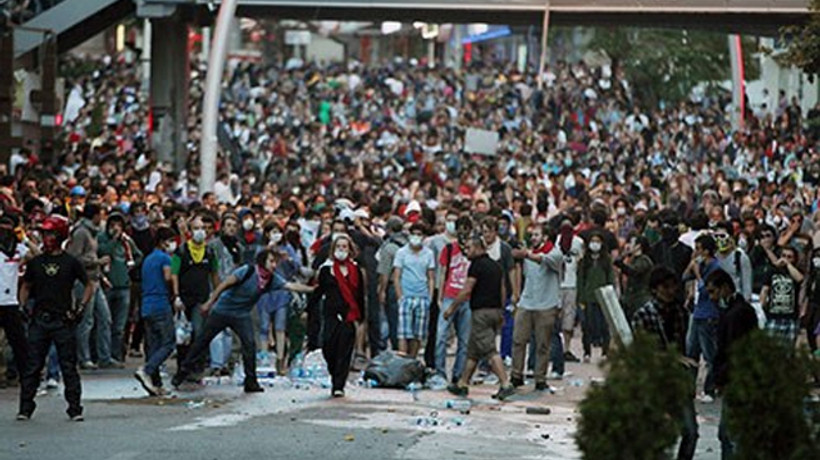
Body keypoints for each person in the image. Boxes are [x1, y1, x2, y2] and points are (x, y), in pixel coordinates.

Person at [172, 249, 314, 393]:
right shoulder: (247, 271)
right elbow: (223, 285)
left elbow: (290, 286)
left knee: (249, 344)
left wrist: (311, 289)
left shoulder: (272, 279)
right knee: (202, 341)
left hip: (241, 314)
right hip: (222, 311)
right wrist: (209, 303)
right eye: (271, 261)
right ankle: (181, 374)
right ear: (262, 261)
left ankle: (251, 381)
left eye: (275, 262)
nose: (274, 265)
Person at [18, 215, 93, 421]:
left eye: (50, 233)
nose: (47, 237)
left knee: (68, 366)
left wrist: (81, 307)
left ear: (60, 235)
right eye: (45, 233)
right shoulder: (36, 262)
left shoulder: (71, 262)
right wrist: (22, 306)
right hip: (40, 319)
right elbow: (26, 286)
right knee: (33, 365)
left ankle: (75, 408)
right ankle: (25, 408)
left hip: (63, 320)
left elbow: (88, 285)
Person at [631, 267, 697, 460]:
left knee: (690, 432)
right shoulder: (644, 315)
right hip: (654, 381)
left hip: (678, 380)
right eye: (665, 287)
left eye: (673, 286)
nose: (670, 291)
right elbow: (641, 353)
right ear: (655, 289)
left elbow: (683, 345)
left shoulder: (680, 312)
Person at [444, 236, 515, 401]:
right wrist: (501, 311)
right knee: (474, 351)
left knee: (489, 350)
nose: (466, 251)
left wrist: (451, 308)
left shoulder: (476, 265)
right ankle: (463, 383)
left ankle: (505, 384)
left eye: (469, 248)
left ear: (477, 248)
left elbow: (467, 289)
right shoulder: (496, 266)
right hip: (495, 311)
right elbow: (503, 289)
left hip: (481, 313)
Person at [706, 269, 758, 460]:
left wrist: (722, 378)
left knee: (730, 434)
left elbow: (733, 350)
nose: (712, 297)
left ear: (724, 288)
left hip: (738, 378)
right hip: (735, 377)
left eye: (713, 292)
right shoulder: (733, 311)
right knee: (727, 433)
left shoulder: (738, 313)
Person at [510, 221, 563, 391]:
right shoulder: (528, 252)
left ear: (545, 237)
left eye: (536, 235)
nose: (533, 238)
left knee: (542, 344)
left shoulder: (555, 253)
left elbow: (543, 259)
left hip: (546, 304)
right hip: (527, 302)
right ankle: (516, 375)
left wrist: (526, 254)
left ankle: (540, 378)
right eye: (532, 235)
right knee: (518, 340)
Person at [312, 234, 366, 397]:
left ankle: (338, 384)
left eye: (344, 247)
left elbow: (360, 294)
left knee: (344, 348)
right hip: (330, 313)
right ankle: (333, 371)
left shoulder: (355, 270)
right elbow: (319, 291)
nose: (341, 250)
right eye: (338, 247)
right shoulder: (326, 270)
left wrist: (361, 317)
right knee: (328, 346)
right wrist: (309, 309)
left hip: (348, 314)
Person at [67, 203, 120, 369]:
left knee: (105, 318)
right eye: (101, 214)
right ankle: (84, 358)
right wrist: (96, 262)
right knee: (86, 320)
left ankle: (104, 356)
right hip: (84, 281)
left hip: (95, 279)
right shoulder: (81, 232)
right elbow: (74, 258)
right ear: (95, 215)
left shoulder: (93, 232)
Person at [170, 215, 220, 374]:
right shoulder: (181, 251)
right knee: (183, 335)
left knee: (199, 332)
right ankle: (182, 366)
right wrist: (176, 295)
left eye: (203, 228)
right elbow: (174, 274)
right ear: (190, 231)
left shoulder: (210, 252)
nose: (200, 231)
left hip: (201, 298)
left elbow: (214, 274)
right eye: (196, 228)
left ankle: (196, 366)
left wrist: (216, 295)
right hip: (184, 298)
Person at [134, 227, 178, 396]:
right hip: (160, 304)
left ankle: (155, 383)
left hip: (147, 305)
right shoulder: (165, 258)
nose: (172, 244)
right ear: (162, 242)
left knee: (153, 346)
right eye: (170, 240)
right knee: (168, 343)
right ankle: (147, 370)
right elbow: (167, 277)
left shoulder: (148, 259)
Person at [97, 211, 142, 363]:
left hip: (123, 286)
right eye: (113, 224)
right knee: (105, 322)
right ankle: (104, 355)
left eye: (119, 225)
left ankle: (117, 355)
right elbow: (103, 251)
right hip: (107, 285)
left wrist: (130, 266)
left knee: (119, 326)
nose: (116, 227)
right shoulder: (102, 239)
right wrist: (114, 240)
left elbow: (138, 255)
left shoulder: (127, 241)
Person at [684, 233, 723, 403]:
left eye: (698, 249)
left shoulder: (715, 267)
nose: (696, 252)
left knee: (710, 354)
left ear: (707, 251)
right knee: (691, 352)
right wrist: (691, 266)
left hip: (709, 314)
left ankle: (710, 388)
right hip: (697, 312)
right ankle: (689, 388)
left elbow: (707, 289)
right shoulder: (699, 265)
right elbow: (685, 277)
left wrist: (698, 274)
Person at [435, 216, 473, 383]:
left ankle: (458, 373)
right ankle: (440, 372)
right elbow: (442, 273)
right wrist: (439, 296)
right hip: (449, 296)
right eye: (461, 229)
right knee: (441, 335)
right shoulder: (449, 249)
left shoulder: (474, 250)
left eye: (466, 230)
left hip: (468, 298)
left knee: (464, 340)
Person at [207, 212, 243, 376]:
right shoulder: (213, 246)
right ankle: (216, 364)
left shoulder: (238, 247)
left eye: (234, 226)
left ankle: (226, 364)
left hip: (232, 292)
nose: (231, 229)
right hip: (215, 290)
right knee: (216, 329)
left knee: (228, 330)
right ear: (222, 228)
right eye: (228, 225)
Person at [0, 215, 34, 387]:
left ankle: (26, 375)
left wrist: (25, 239)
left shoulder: (19, 249)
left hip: (11, 302)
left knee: (19, 343)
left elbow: (37, 257)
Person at [392, 223, 435, 358]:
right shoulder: (401, 252)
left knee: (418, 334)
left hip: (422, 297)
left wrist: (430, 297)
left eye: (419, 234)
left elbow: (431, 277)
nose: (416, 237)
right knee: (403, 333)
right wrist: (400, 296)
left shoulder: (428, 254)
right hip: (406, 296)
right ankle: (402, 361)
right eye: (413, 234)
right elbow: (397, 276)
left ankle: (412, 360)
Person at [480, 216, 518, 364]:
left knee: (506, 325)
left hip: (504, 293)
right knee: (485, 328)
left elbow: (511, 270)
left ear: (495, 232)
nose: (487, 235)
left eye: (489, 231)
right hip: (484, 294)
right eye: (484, 232)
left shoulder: (504, 248)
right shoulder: (479, 247)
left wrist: (514, 292)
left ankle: (505, 354)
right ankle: (485, 359)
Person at [577, 232, 615, 362]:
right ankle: (587, 352)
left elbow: (611, 278)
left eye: (597, 241)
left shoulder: (606, 260)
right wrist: (580, 297)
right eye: (592, 241)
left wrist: (610, 294)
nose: (595, 244)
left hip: (603, 297)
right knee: (587, 325)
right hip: (588, 297)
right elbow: (580, 280)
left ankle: (605, 351)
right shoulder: (584, 261)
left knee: (604, 325)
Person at [759, 245, 804, 350]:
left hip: (790, 318)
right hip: (773, 316)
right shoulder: (772, 271)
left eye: (789, 257)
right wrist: (762, 306)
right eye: (783, 255)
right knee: (770, 350)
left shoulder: (795, 271)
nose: (785, 259)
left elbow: (800, 279)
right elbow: (765, 290)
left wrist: (788, 265)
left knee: (788, 351)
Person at [556, 218, 585, 363]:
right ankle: (557, 348)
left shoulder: (578, 242)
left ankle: (566, 348)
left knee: (569, 318)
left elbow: (581, 260)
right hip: (558, 284)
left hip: (571, 284)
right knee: (557, 316)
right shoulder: (556, 240)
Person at [376, 216, 406, 351]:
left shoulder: (388, 247)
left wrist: (382, 290)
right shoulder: (409, 244)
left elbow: (385, 272)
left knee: (394, 321)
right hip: (409, 286)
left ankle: (396, 350)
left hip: (393, 287)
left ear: (388, 229)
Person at [615, 234, 654, 320]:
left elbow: (633, 271)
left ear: (638, 246)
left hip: (640, 297)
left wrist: (622, 263)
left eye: (631, 243)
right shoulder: (633, 259)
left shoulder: (644, 260)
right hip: (631, 297)